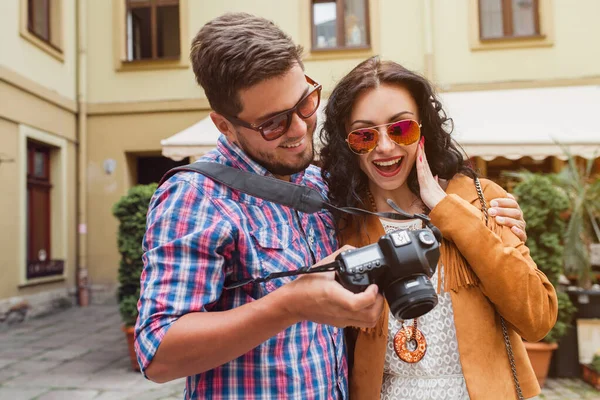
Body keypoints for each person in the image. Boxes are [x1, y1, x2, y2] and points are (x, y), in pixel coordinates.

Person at [135, 12, 529, 400]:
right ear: (224, 125)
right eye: (273, 123)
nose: (299, 129)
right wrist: (289, 304)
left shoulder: (322, 183)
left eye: (305, 103)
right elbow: (157, 355)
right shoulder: (195, 197)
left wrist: (489, 220)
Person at [319, 56, 558, 400]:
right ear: (348, 144)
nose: (385, 147)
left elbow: (537, 319)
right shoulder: (343, 224)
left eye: (401, 128)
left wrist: (446, 209)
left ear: (424, 129)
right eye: (365, 135)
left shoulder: (481, 199)